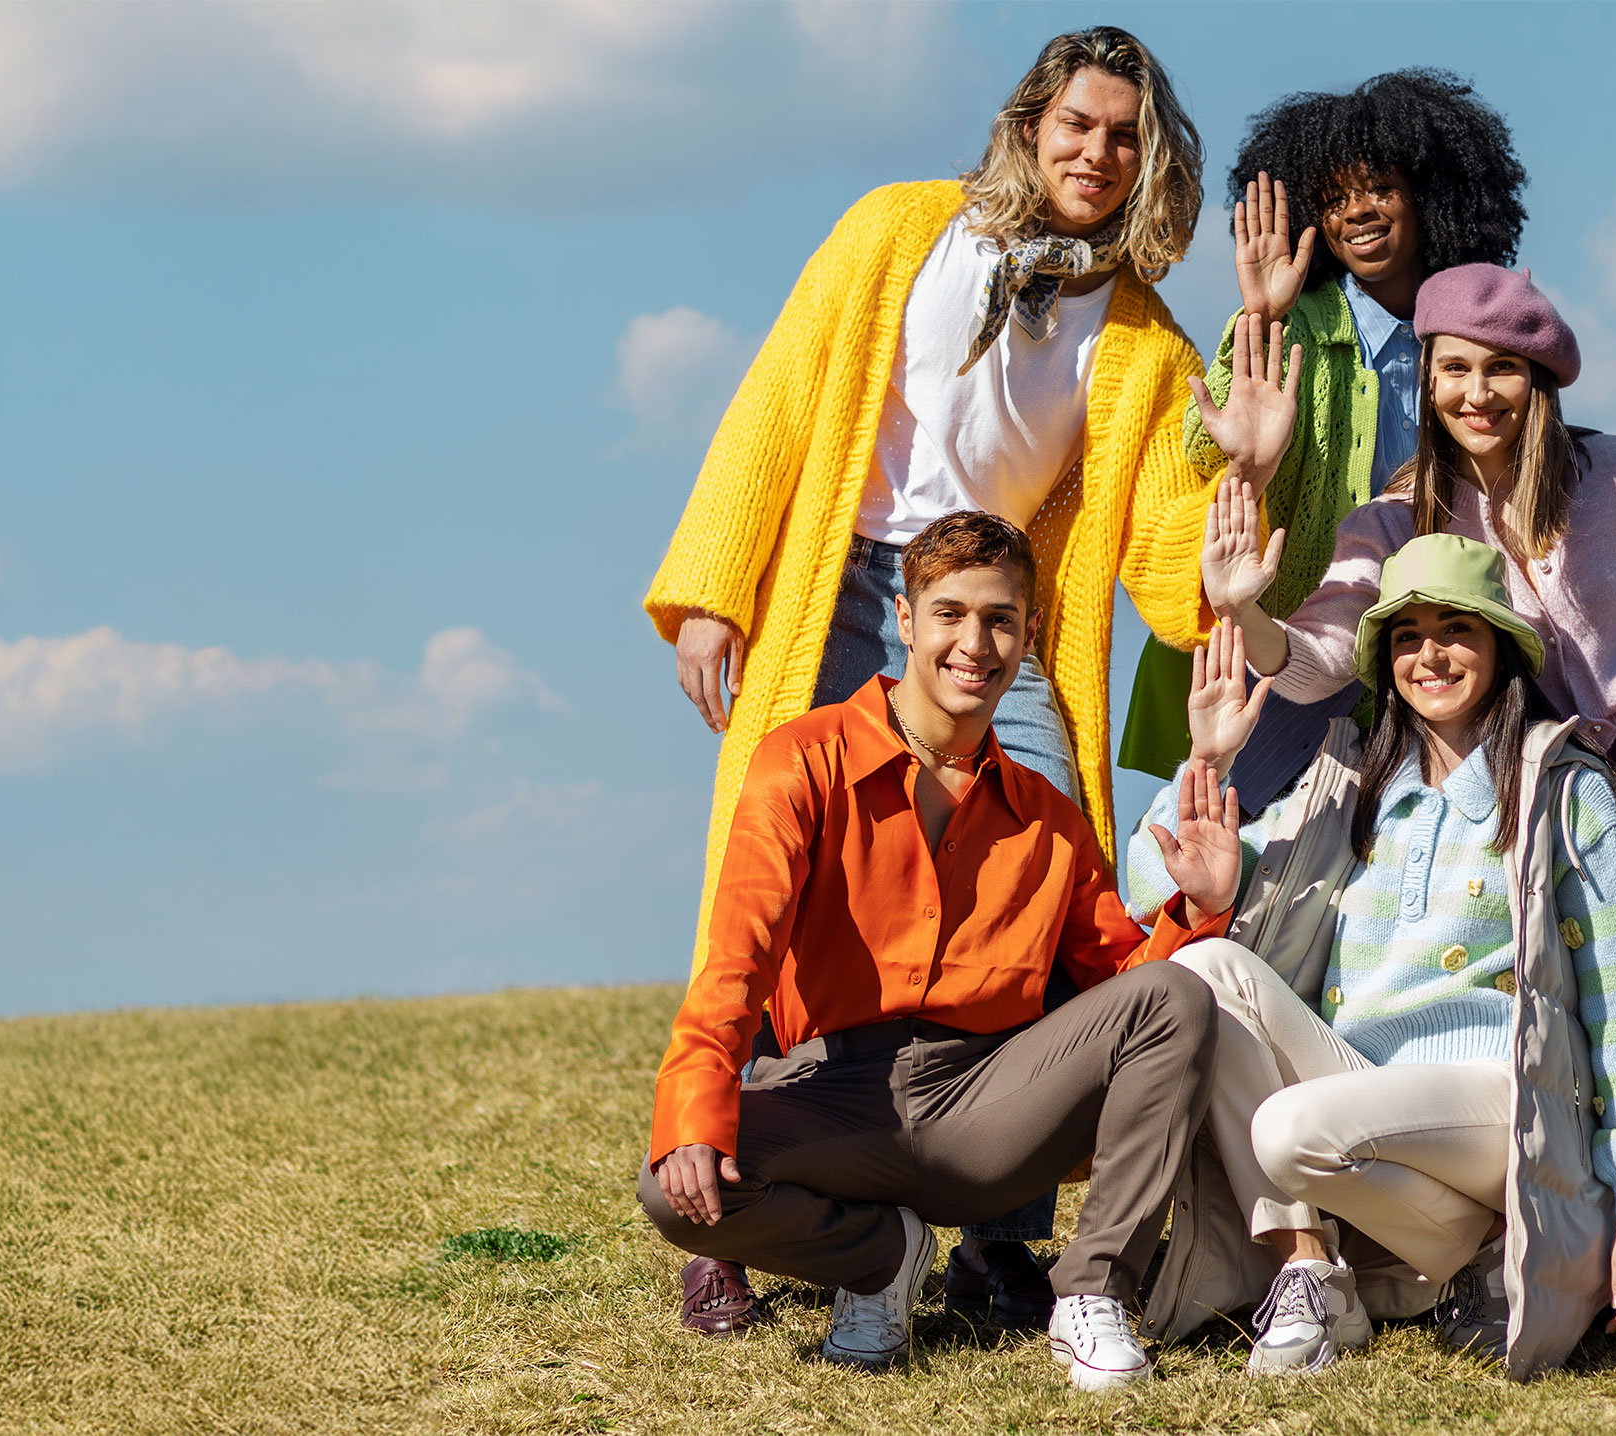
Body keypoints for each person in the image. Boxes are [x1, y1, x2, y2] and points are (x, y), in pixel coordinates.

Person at [644, 26, 1221, 1322]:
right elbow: (781, 394)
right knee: (780, 876)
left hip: (999, 619)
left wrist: (1246, 450)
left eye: (1125, 137)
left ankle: (999, 1239)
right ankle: (728, 1219)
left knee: (1039, 875)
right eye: (1078, 124)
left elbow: (1181, 565)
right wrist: (712, 588)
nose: (1097, 152)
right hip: (846, 585)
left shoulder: (1142, 337)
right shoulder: (899, 232)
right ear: (1029, 125)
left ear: (1152, 161)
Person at [1203, 263, 1616, 1337]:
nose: (1475, 392)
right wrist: (1251, 618)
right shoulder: (1397, 513)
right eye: (1453, 368)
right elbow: (1324, 656)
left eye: (1500, 369)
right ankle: (1517, 1235)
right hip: (1550, 766)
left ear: (1539, 379)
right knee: (1567, 976)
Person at [639, 512, 1243, 1392]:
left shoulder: (1048, 817)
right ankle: (881, 1256)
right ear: (905, 620)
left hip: (987, 1109)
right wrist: (694, 1107)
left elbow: (1127, 983)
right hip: (836, 1095)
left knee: (1176, 1000)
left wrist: (1203, 907)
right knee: (673, 1187)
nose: (976, 642)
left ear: (1029, 633)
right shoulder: (801, 761)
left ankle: (1091, 1292)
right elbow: (738, 957)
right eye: (951, 613)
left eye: (1000, 619)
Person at [1122, 536, 1616, 1380]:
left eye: (1456, 628)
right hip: (1362, 1091)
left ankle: (1505, 1249)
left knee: (1285, 1130)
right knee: (1204, 975)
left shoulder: (1563, 790)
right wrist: (1209, 769)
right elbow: (1145, 876)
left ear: (1501, 648)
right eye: (1405, 634)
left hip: (1505, 1098)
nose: (1429, 654)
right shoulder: (1353, 786)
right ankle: (1313, 1271)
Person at [1117, 70, 1530, 797]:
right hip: (1282, 639)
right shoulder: (1297, 323)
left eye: (1378, 189)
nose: (1356, 214)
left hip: (1417, 648)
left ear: (1430, 192)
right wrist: (1260, 317)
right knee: (1225, 859)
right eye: (1334, 199)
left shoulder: (1464, 335)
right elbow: (1204, 444)